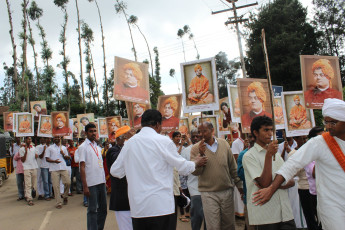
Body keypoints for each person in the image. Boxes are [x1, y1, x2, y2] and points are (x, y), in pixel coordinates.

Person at [252, 98, 345, 230]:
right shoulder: (319, 143)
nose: (328, 126)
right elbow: (291, 165)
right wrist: (271, 189)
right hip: (332, 208)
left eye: (333, 122)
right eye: (326, 122)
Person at [110, 109, 207, 230]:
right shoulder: (164, 141)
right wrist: (196, 162)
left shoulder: (129, 144)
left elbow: (115, 171)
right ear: (157, 124)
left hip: (139, 208)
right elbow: (183, 168)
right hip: (161, 207)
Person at [242, 116, 295, 229]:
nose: (270, 133)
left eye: (271, 130)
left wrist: (274, 185)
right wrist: (268, 156)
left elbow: (290, 181)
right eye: (266, 130)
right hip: (266, 215)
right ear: (255, 132)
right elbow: (264, 183)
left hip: (285, 212)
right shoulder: (249, 156)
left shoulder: (276, 154)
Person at [191, 121, 243, 230]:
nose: (201, 134)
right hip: (208, 193)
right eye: (199, 132)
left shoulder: (224, 144)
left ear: (212, 130)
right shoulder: (196, 148)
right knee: (213, 226)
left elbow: (232, 167)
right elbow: (195, 172)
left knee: (229, 225)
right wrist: (201, 154)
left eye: (204, 131)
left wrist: (240, 186)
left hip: (227, 191)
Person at [79, 123, 107, 230]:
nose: (93, 133)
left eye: (95, 131)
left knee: (103, 210)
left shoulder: (97, 146)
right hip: (91, 184)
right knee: (92, 210)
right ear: (86, 133)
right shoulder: (83, 147)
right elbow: (82, 167)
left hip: (101, 182)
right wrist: (85, 186)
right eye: (91, 131)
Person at [106, 126, 133, 230]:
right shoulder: (113, 151)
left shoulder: (129, 149)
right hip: (122, 198)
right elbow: (118, 163)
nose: (127, 141)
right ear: (118, 139)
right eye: (125, 138)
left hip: (132, 198)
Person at [181, 129, 207, 230]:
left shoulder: (208, 148)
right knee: (197, 215)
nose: (196, 138)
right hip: (194, 188)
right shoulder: (186, 151)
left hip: (209, 187)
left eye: (198, 136)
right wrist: (183, 187)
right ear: (190, 137)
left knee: (209, 217)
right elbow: (182, 171)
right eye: (194, 136)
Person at [303, 127, 324, 230]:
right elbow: (315, 174)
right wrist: (320, 157)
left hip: (328, 192)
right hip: (316, 195)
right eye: (321, 137)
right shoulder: (308, 155)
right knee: (321, 222)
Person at [45, 136, 71, 209]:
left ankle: (65, 196)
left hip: (63, 167)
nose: (57, 139)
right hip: (54, 169)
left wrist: (63, 154)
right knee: (56, 186)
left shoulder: (63, 148)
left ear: (60, 139)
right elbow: (47, 159)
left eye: (58, 138)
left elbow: (67, 158)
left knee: (68, 182)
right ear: (53, 139)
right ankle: (58, 202)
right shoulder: (49, 148)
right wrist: (54, 161)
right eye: (56, 137)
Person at [237, 133, 256, 230]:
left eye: (254, 136)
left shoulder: (267, 153)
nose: (252, 139)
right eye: (250, 136)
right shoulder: (243, 154)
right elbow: (240, 174)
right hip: (249, 198)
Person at [20, 137, 39, 206]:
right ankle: (29, 199)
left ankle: (29, 194)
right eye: (28, 139)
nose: (30, 140)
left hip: (34, 167)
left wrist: (36, 156)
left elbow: (37, 156)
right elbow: (22, 160)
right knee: (28, 184)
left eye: (30, 139)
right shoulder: (21, 149)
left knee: (33, 184)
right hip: (27, 168)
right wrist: (25, 152)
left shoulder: (34, 148)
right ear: (25, 140)